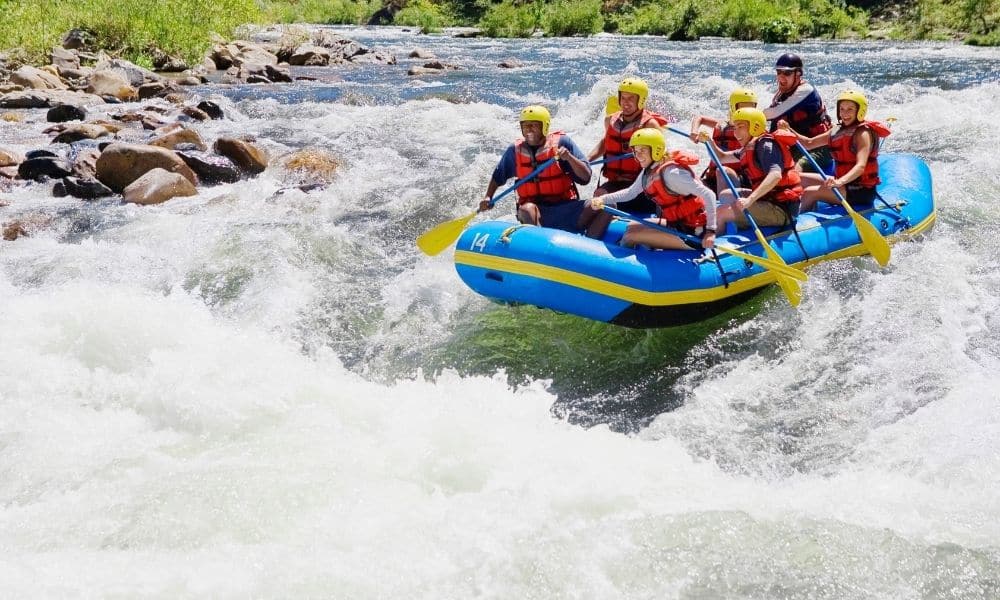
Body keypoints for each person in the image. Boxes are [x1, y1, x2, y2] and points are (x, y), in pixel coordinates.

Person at [589, 128, 717, 250]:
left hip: (693, 234)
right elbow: (630, 193)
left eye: (643, 150)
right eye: (635, 151)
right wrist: (602, 199)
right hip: (677, 225)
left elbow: (709, 194)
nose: (638, 156)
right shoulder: (650, 168)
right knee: (631, 227)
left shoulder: (672, 174)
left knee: (630, 236)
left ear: (656, 150)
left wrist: (710, 232)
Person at [478, 104, 596, 234]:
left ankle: (591, 244)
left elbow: (586, 177)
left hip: (565, 207)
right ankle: (540, 242)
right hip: (535, 212)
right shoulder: (515, 151)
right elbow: (498, 177)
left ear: (544, 126)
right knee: (527, 209)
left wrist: (569, 158)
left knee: (599, 205)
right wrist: (488, 197)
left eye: (533, 125)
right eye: (525, 125)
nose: (529, 130)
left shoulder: (562, 143)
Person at [782, 90, 891, 212]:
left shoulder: (863, 133)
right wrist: (788, 130)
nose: (845, 113)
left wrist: (839, 181)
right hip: (842, 183)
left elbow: (861, 166)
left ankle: (797, 224)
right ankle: (807, 209)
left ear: (860, 111)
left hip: (860, 190)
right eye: (842, 109)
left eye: (850, 109)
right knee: (797, 178)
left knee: (809, 193)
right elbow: (808, 143)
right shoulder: (837, 131)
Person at [703, 107, 803, 231]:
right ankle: (739, 224)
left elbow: (775, 175)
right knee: (725, 195)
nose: (736, 133)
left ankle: (712, 247)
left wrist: (750, 200)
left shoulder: (766, 146)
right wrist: (709, 141)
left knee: (721, 212)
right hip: (768, 199)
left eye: (740, 127)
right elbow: (721, 157)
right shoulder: (750, 147)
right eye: (734, 128)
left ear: (755, 127)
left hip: (782, 208)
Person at [585, 77, 669, 214]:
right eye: (623, 98)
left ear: (640, 100)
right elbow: (605, 143)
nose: (626, 102)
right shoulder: (610, 120)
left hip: (642, 184)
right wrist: (587, 160)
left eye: (631, 99)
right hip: (617, 182)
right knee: (599, 193)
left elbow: (661, 156)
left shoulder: (650, 124)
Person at [763, 53, 833, 173]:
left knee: (796, 170)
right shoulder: (782, 93)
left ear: (798, 74)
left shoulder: (806, 91)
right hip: (797, 145)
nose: (781, 77)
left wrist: (749, 116)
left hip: (818, 148)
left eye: (787, 73)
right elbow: (774, 122)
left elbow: (772, 114)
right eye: (779, 72)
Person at [689, 87, 757, 193]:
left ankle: (722, 206)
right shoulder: (721, 126)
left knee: (722, 172)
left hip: (739, 179)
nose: (747, 111)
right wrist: (694, 132)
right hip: (713, 177)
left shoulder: (755, 132)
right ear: (733, 106)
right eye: (743, 107)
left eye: (751, 107)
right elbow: (699, 118)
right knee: (690, 185)